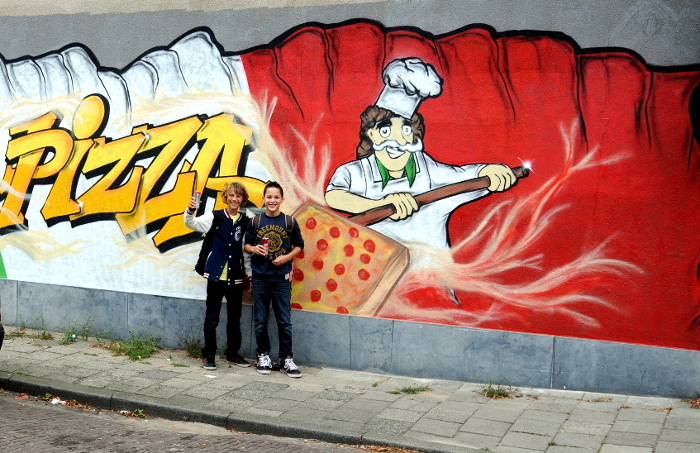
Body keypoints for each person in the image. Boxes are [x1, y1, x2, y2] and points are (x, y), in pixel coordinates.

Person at [325, 58, 517, 250]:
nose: (398, 140)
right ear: (371, 133)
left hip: (431, 265)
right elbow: (335, 195)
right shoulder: (356, 172)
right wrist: (380, 204)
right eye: (385, 130)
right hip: (379, 264)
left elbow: (461, 176)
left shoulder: (426, 168)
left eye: (406, 130)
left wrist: (488, 171)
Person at [184, 182, 251, 370]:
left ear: (243, 200)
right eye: (231, 195)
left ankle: (232, 354)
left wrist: (250, 275)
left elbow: (246, 253)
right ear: (226, 197)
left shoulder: (245, 222)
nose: (234, 199)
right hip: (215, 276)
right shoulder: (215, 216)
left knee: (234, 319)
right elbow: (191, 223)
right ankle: (208, 355)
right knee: (212, 318)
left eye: (238, 196)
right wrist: (190, 210)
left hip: (235, 278)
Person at [244, 181, 305, 378]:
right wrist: (254, 249)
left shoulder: (289, 222)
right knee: (260, 320)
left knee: (284, 321)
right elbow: (246, 245)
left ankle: (286, 358)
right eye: (269, 197)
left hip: (281, 279)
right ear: (263, 199)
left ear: (282, 199)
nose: (272, 200)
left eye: (276, 197)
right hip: (260, 278)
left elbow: (299, 245)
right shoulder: (255, 222)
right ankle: (263, 355)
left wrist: (286, 258)